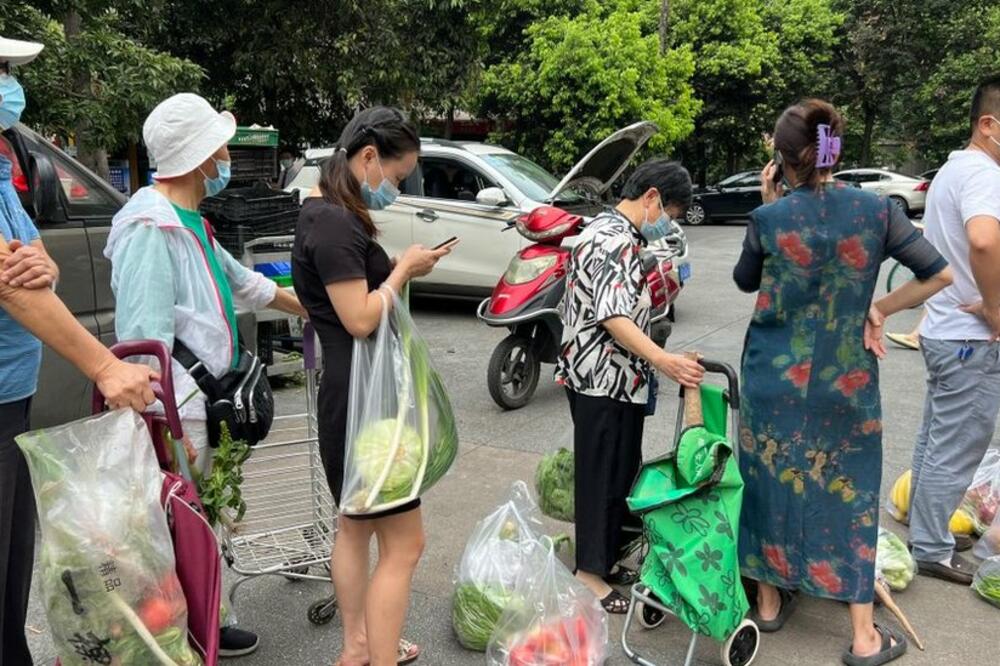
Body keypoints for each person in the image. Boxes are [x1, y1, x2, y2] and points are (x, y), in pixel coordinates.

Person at [733, 99, 952, 666]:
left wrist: (769, 205)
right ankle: (862, 636)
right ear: (834, 149)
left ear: (783, 160)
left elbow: (744, 280)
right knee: (849, 490)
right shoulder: (876, 212)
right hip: (846, 381)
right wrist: (879, 309)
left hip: (771, 379)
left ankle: (770, 601)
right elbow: (939, 273)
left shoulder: (769, 219)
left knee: (768, 479)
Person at [104, 93, 306, 658]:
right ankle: (181, 631)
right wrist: (158, 417)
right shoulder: (151, 228)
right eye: (219, 147)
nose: (225, 157)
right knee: (177, 521)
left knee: (202, 516)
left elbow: (245, 283)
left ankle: (209, 619)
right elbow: (143, 338)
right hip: (178, 406)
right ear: (196, 157)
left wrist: (308, 307)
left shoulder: (193, 223)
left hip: (202, 402)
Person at [0, 36, 156, 666]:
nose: (11, 83)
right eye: (3, 69)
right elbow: (12, 290)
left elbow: (31, 265)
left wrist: (42, 267)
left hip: (13, 392)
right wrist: (104, 364)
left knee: (12, 567)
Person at [291, 106, 453, 666]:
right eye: (398, 175)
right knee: (406, 545)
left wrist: (402, 270)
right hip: (364, 404)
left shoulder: (321, 213)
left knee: (355, 528)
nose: (397, 187)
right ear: (368, 158)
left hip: (350, 394)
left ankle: (359, 647)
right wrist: (402, 272)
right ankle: (375, 655)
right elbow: (359, 318)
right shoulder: (335, 221)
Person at [555, 158, 706, 613]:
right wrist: (663, 361)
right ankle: (589, 573)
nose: (669, 224)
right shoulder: (610, 239)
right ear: (652, 198)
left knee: (620, 471)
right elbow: (612, 315)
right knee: (601, 474)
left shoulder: (619, 235)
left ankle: (604, 561)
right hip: (600, 377)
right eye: (671, 215)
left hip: (618, 379)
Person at [908, 75, 1000, 585]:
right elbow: (984, 242)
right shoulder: (985, 175)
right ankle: (931, 547)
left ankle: (928, 533)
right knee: (958, 442)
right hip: (969, 336)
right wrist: (995, 308)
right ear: (988, 125)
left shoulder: (951, 170)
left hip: (944, 330)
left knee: (936, 440)